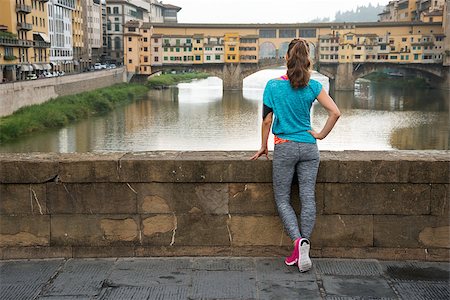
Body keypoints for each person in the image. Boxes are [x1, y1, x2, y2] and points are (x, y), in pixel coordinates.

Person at [251, 38, 341, 272]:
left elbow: (267, 120)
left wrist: (263, 145)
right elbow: (335, 112)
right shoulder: (313, 86)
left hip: (285, 147)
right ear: (308, 60)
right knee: (308, 199)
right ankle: (304, 247)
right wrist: (319, 135)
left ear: (286, 59)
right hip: (310, 148)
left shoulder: (272, 86)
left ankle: (297, 241)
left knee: (282, 199)